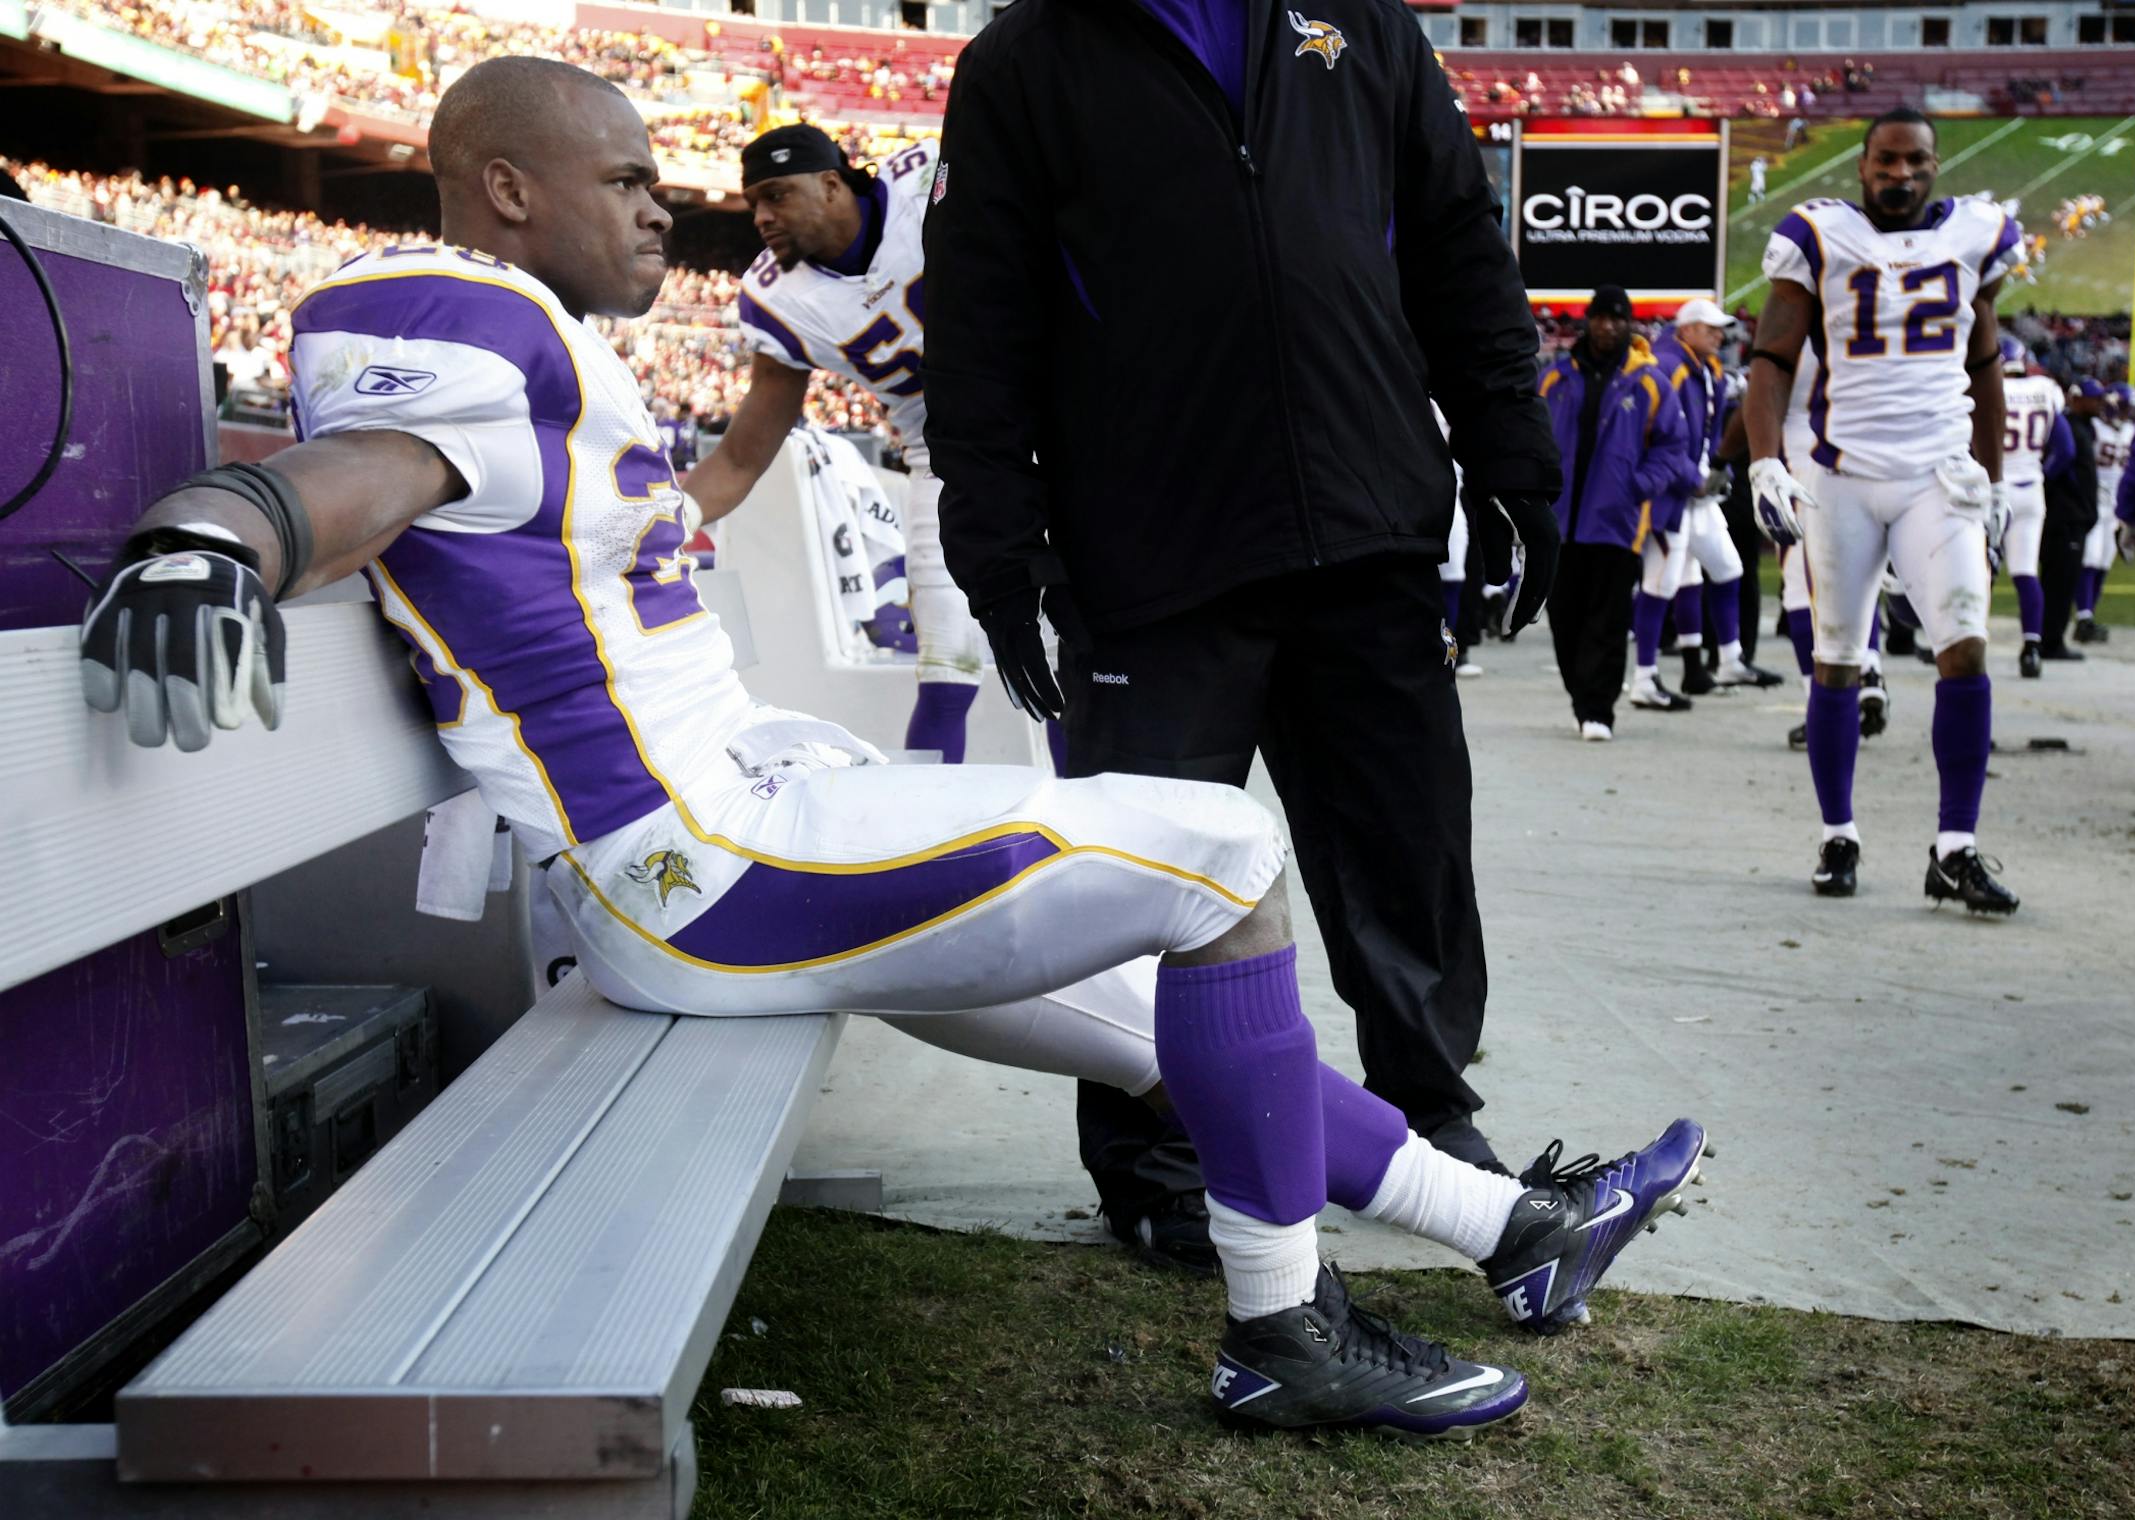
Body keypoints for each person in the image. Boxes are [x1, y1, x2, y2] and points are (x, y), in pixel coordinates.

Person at [77, 55, 1706, 1438]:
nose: (666, 210)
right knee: (1228, 858)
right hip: (697, 870)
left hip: (753, 817)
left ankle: (1516, 1227)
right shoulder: (452, 323)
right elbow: (350, 474)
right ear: (503, 189)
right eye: (629, 182)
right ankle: (1284, 1335)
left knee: (1163, 1015)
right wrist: (207, 539)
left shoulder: (530, 343)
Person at [920, 0, 1565, 1261]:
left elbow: (1454, 246)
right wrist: (999, 545)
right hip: (1149, 561)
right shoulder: (1025, 58)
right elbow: (981, 323)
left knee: (1410, 858)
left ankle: (1430, 1121)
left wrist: (1511, 455)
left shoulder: (1362, 23)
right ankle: (1156, 1158)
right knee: (1143, 886)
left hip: (1368, 527)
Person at [1743, 107, 2020, 911]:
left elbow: (1988, 364)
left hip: (1938, 473)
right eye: (1887, 162)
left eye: (1917, 162)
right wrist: (1766, 460)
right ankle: (1839, 833)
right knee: (1836, 660)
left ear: (1938, 166)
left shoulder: (1976, 233)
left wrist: (1994, 478)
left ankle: (1957, 848)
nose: (1901, 175)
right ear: (1862, 168)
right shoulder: (1820, 234)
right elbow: (1771, 358)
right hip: (1842, 473)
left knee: (1964, 647)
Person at [675, 125, 990, 765]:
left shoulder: (927, 179)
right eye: (753, 201)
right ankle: (924, 844)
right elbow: (740, 457)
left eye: (776, 196)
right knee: (945, 668)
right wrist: (654, 521)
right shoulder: (777, 298)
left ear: (831, 183)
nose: (760, 217)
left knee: (1076, 661)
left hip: (1045, 413)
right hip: (943, 450)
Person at [1538, 285, 1694, 738]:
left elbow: (1673, 446)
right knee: (1564, 617)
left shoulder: (1649, 381)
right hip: (1562, 519)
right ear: (1588, 321)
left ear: (1630, 324)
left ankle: (1598, 709)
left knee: (1608, 619)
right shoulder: (1555, 378)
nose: (1608, 326)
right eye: (1601, 317)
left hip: (1618, 520)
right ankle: (1579, 696)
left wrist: (1640, 486)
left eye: (1617, 318)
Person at [1634, 298, 1782, 705]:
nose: (1719, 334)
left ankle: (1724, 659)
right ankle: (1644, 678)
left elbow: (1710, 432)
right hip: (1672, 492)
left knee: (1722, 568)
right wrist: (1690, 476)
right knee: (1660, 582)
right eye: (1709, 327)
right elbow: (1661, 437)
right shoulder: (1669, 366)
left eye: (1719, 328)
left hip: (1698, 488)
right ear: (1686, 330)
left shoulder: (1703, 367)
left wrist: (1717, 473)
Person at [1997, 335, 2068, 676]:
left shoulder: (1987, 389)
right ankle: (2032, 649)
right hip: (2030, 491)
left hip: (1994, 492)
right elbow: (2065, 449)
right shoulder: (2044, 388)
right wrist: (2041, 472)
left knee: (1979, 571)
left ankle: (1969, 643)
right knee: (2025, 573)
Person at [2037, 377, 2101, 660]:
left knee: (2058, 580)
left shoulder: (2080, 427)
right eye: (2093, 398)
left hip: (2070, 515)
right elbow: (2061, 460)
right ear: (2075, 398)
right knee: (2059, 583)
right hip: (2066, 517)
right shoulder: (2070, 428)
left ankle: (2046, 637)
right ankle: (2051, 641)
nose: (2098, 404)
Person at [2077, 382, 2135, 641]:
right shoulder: (2094, 429)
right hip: (2094, 501)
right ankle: (2083, 617)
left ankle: (2089, 615)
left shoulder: (2131, 431)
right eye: (2124, 408)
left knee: (2103, 562)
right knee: (2089, 559)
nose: (2127, 414)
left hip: (2115, 506)